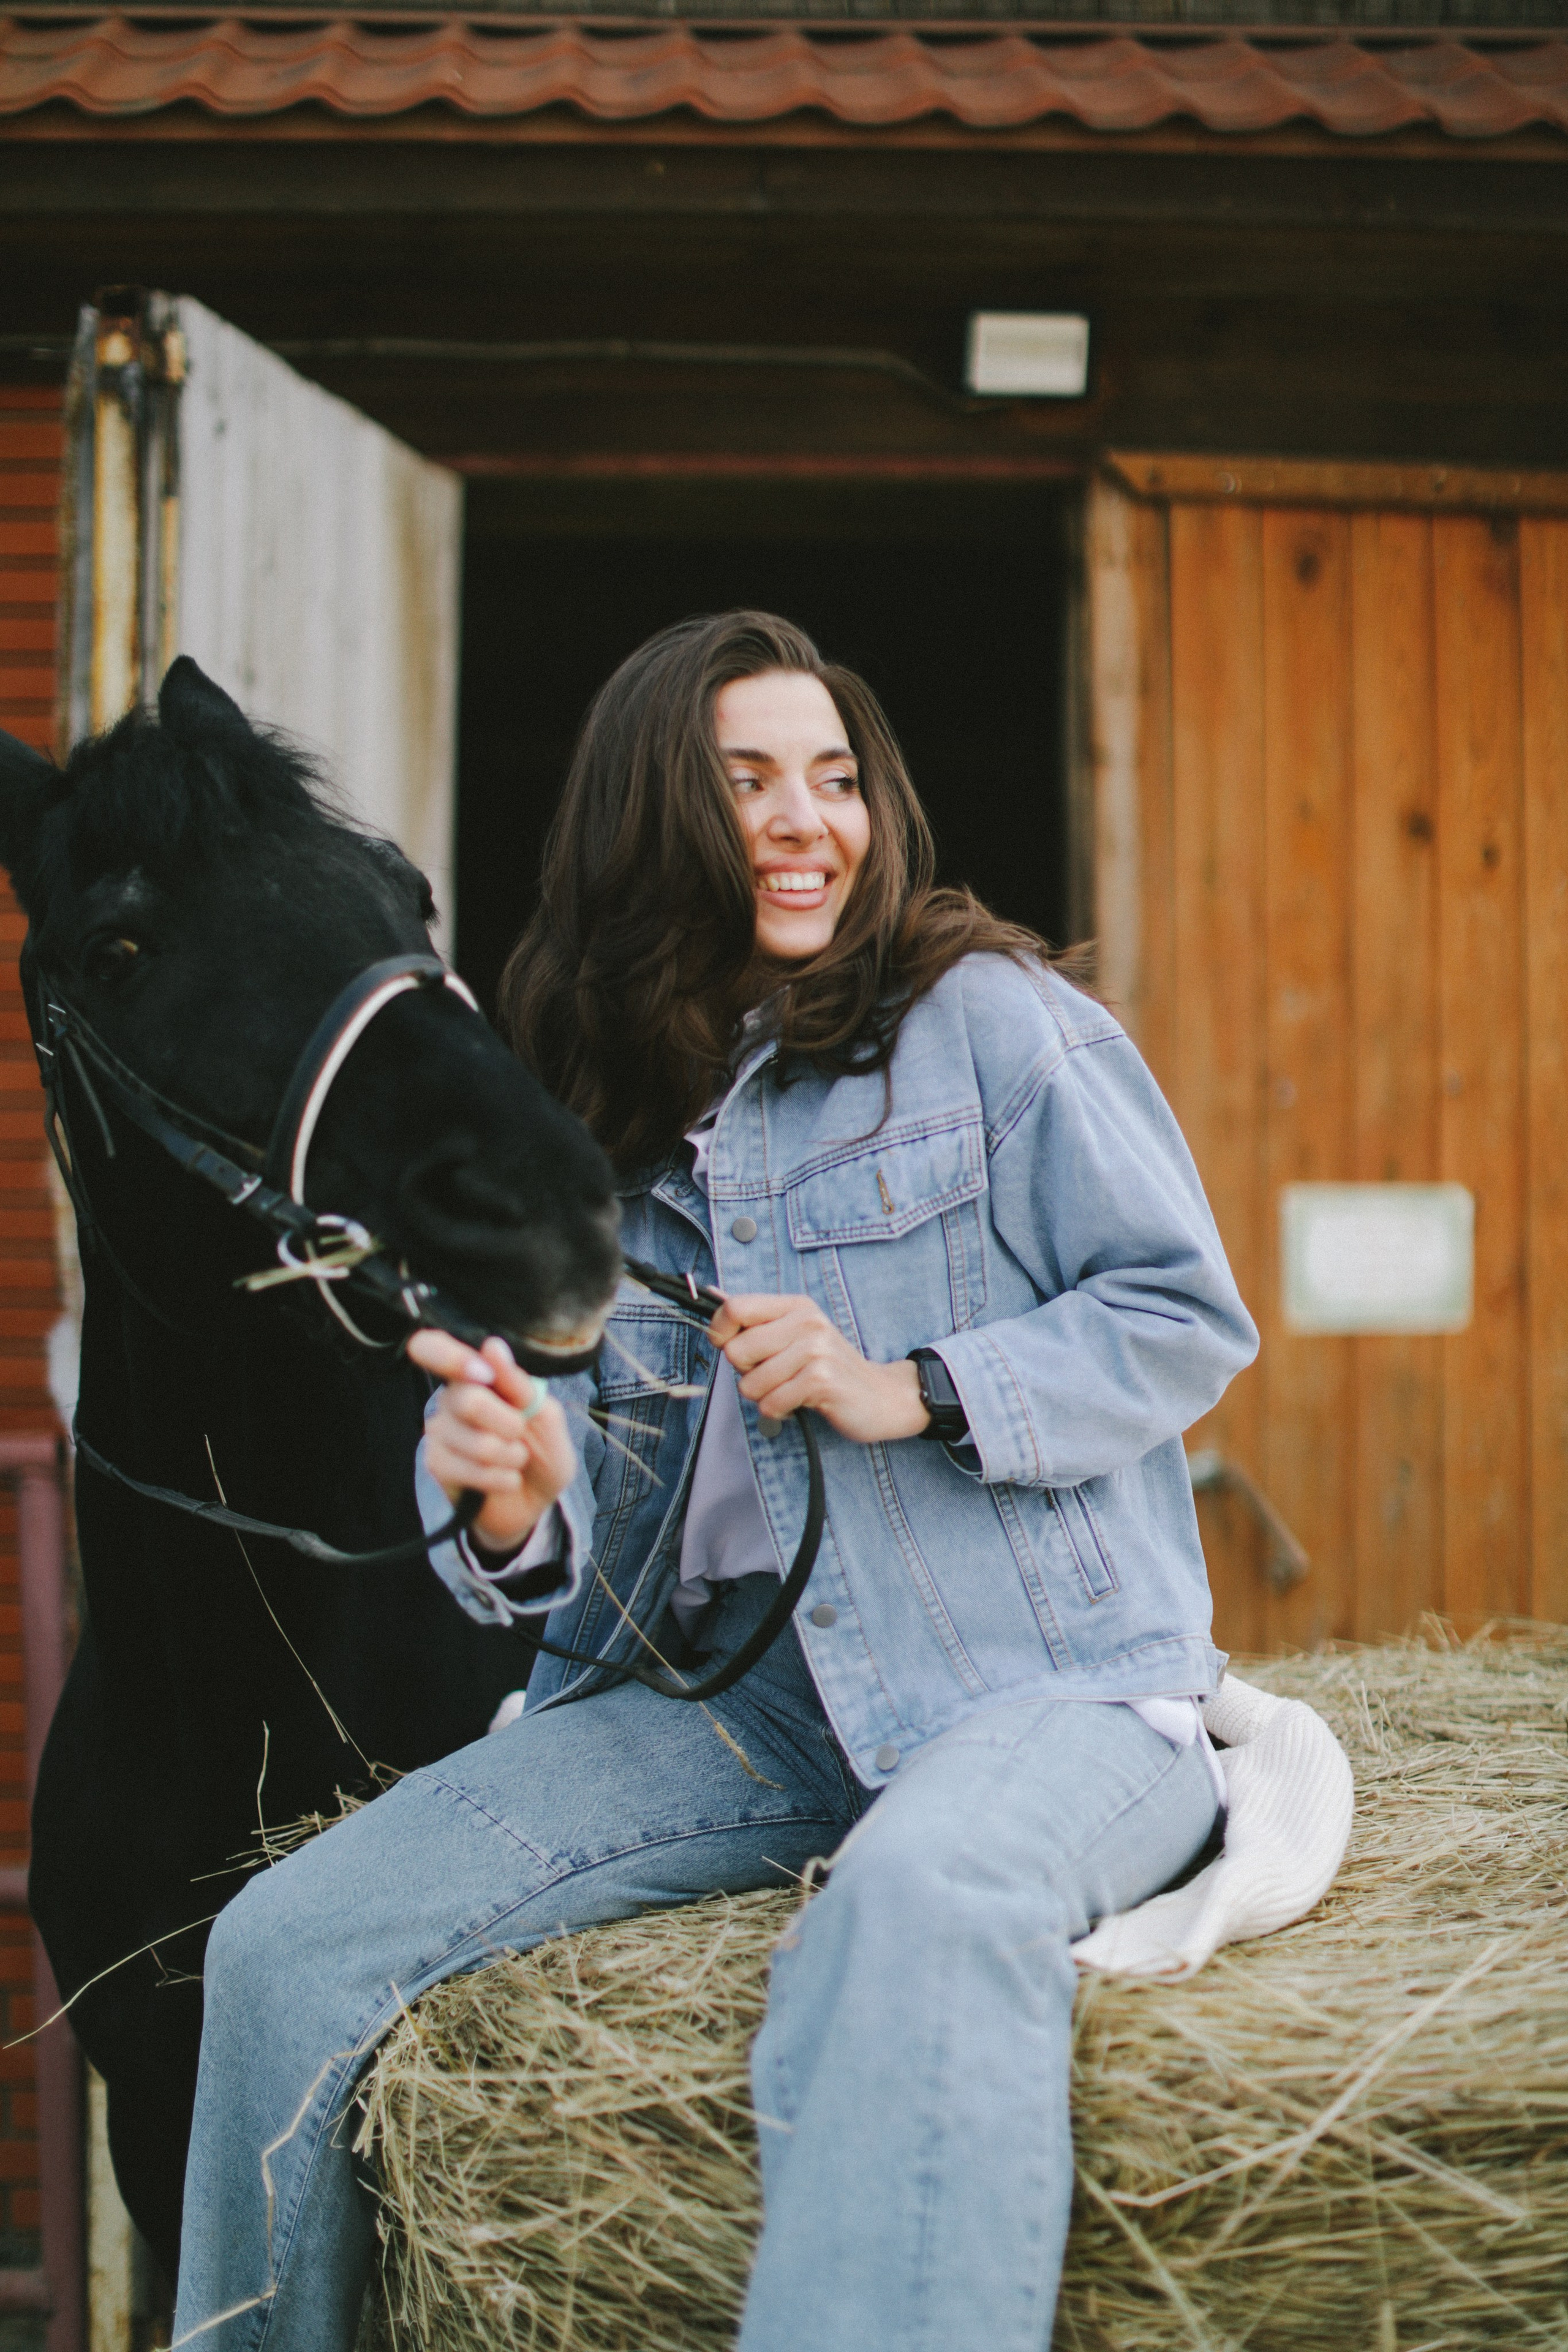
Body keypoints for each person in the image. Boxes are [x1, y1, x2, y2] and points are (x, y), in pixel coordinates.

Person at [173, 611, 1257, 2351]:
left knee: (919, 1905)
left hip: (1040, 1684)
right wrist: (520, 1500)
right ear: (648, 818)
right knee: (285, 1947)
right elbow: (612, 1565)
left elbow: (1184, 1313)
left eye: (834, 780)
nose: (805, 819)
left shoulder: (992, 1022)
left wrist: (914, 1387)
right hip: (740, 1705)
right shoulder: (604, 1127)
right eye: (745, 780)